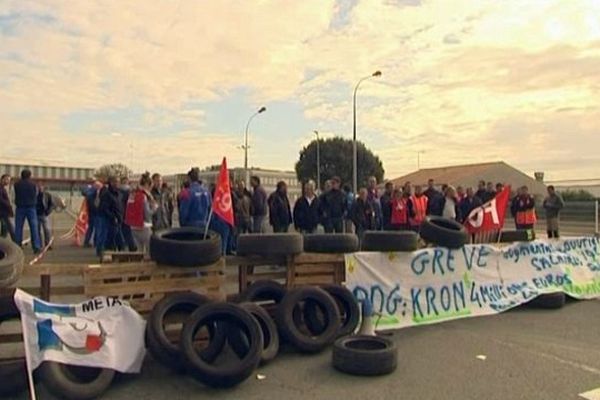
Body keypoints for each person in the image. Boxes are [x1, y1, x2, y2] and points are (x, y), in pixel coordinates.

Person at [125, 173, 157, 255]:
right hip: (144, 226)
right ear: (147, 185)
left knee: (139, 252)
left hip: (133, 226)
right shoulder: (144, 196)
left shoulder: (132, 194)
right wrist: (154, 208)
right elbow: (147, 214)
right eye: (150, 187)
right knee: (149, 251)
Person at [13, 169, 42, 253]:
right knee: (34, 227)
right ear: (29, 175)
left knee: (18, 227)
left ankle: (17, 246)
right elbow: (36, 194)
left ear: (21, 175)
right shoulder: (33, 185)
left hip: (20, 207)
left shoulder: (16, 184)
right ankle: (36, 247)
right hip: (31, 207)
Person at [96, 176, 124, 257]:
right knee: (106, 237)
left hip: (118, 218)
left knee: (118, 238)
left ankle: (117, 252)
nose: (117, 183)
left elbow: (120, 206)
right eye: (115, 182)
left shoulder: (119, 193)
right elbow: (104, 208)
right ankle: (102, 252)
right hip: (108, 219)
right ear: (111, 183)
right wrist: (112, 216)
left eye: (118, 182)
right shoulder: (106, 194)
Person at [119, 177, 137, 252]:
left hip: (121, 214)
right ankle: (131, 246)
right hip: (128, 214)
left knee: (123, 231)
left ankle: (123, 246)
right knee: (129, 232)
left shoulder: (119, 191)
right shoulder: (131, 192)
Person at [83, 181, 103, 248]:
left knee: (90, 228)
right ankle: (95, 242)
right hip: (96, 213)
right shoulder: (95, 194)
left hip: (91, 213)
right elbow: (94, 205)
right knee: (97, 228)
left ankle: (87, 241)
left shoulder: (89, 194)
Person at [36, 183, 54, 249]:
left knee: (47, 230)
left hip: (44, 214)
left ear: (43, 188)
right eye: (38, 187)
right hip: (36, 214)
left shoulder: (47, 195)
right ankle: (39, 245)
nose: (39, 188)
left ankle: (48, 244)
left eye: (41, 187)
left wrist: (48, 212)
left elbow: (52, 204)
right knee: (37, 231)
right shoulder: (34, 195)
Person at [0, 174, 15, 241]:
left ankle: (3, 243)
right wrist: (8, 205)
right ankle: (16, 243)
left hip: (4, 211)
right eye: (7, 180)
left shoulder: (3, 188)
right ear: (3, 179)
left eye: (9, 180)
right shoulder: (0, 188)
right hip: (3, 211)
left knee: (5, 228)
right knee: (9, 227)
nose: (8, 182)